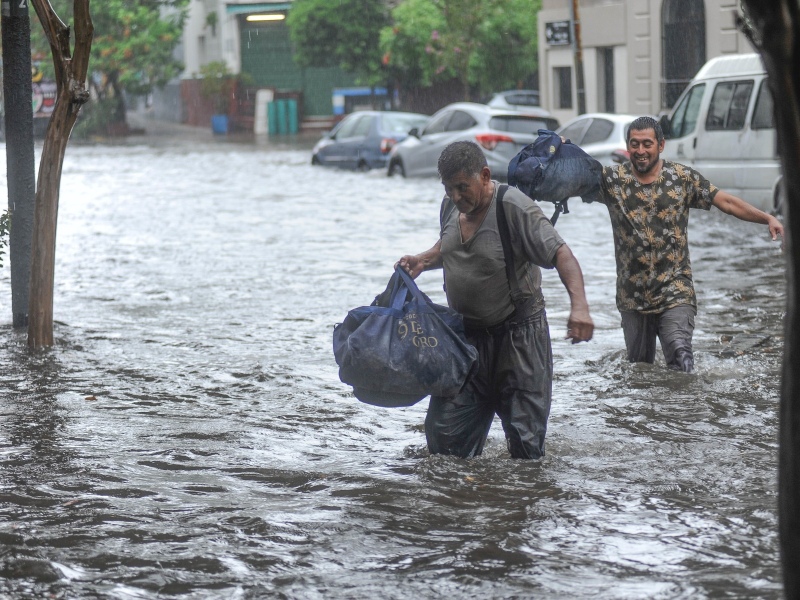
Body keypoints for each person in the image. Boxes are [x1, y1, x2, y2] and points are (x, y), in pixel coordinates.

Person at [398, 141, 594, 460]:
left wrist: (580, 308)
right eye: (449, 189)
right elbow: (451, 246)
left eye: (463, 187)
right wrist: (424, 260)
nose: (456, 197)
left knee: (525, 448)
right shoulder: (451, 206)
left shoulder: (514, 207)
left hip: (518, 341)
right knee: (444, 440)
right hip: (467, 343)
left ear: (485, 175)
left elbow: (563, 254)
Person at [585, 115, 784, 372]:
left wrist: (766, 217)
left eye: (647, 144)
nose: (641, 151)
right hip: (632, 297)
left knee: (681, 357)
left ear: (661, 145)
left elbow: (726, 202)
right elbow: (571, 183)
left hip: (675, 291)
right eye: (635, 144)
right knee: (639, 370)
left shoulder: (680, 178)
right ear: (627, 146)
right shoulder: (612, 181)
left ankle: (685, 409)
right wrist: (559, 153)